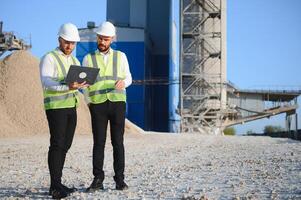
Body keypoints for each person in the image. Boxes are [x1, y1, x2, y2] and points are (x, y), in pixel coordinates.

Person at [39, 23, 87, 199]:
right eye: (67, 42)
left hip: (70, 106)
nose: (70, 46)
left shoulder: (75, 61)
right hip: (56, 107)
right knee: (57, 144)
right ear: (59, 39)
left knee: (65, 145)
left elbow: (75, 85)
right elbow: (46, 81)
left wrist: (82, 85)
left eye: (73, 43)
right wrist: (66, 86)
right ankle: (55, 187)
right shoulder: (49, 58)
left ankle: (57, 183)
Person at [82, 21, 132, 192]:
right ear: (97, 38)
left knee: (118, 142)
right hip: (98, 106)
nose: (102, 42)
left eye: (106, 39)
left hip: (117, 103)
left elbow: (129, 78)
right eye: (100, 38)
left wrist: (124, 82)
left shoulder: (121, 56)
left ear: (112, 39)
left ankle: (119, 179)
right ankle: (98, 179)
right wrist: (89, 103)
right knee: (99, 143)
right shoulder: (88, 58)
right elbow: (85, 85)